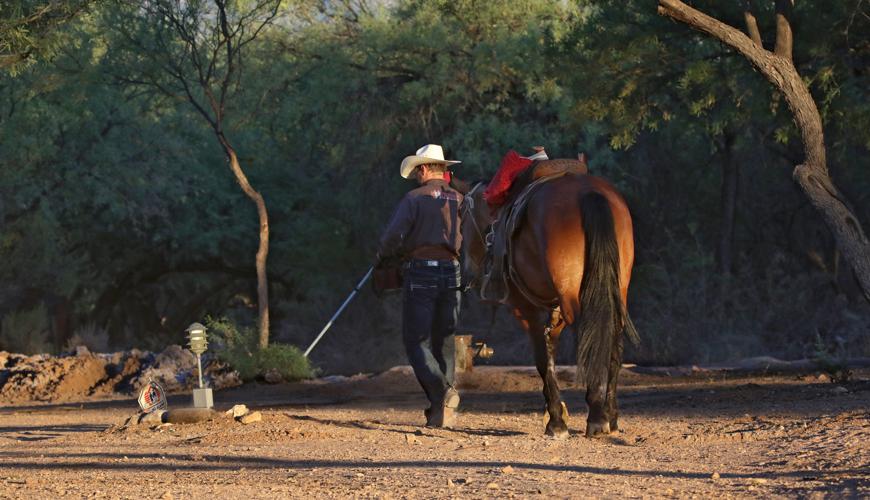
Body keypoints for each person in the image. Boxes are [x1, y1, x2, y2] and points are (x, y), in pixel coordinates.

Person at [376, 143, 464, 428]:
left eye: (417, 170)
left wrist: (384, 256)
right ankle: (442, 411)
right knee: (445, 339)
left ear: (425, 168)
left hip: (421, 272)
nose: (416, 175)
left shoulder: (413, 199)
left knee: (416, 340)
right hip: (453, 270)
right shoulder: (460, 199)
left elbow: (392, 237)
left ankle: (442, 392)